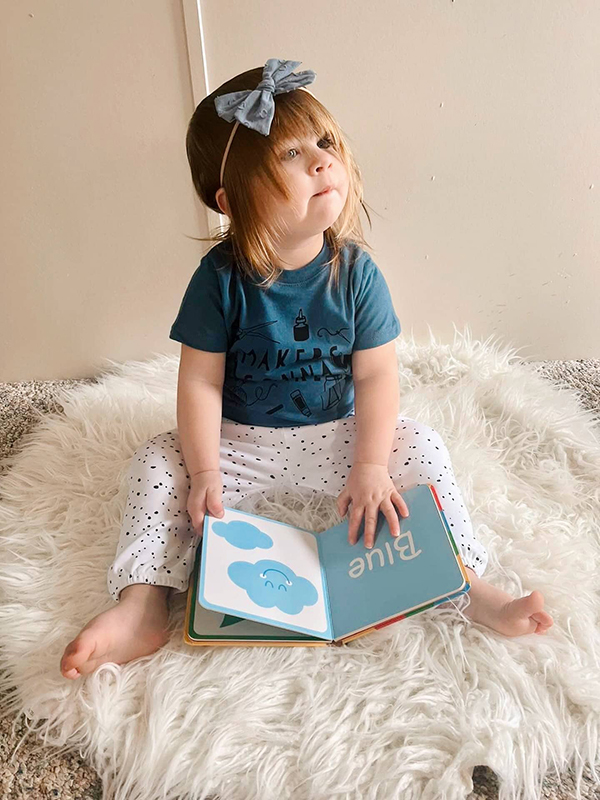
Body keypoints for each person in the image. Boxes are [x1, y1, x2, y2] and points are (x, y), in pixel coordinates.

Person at [60, 59, 553, 680]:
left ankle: (469, 584)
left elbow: (376, 379)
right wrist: (206, 468)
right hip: (240, 443)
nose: (322, 162)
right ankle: (143, 604)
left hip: (337, 439)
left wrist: (372, 465)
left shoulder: (356, 275)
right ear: (231, 199)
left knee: (421, 444)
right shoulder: (220, 280)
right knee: (157, 462)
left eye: (326, 144)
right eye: (291, 154)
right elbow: (200, 381)